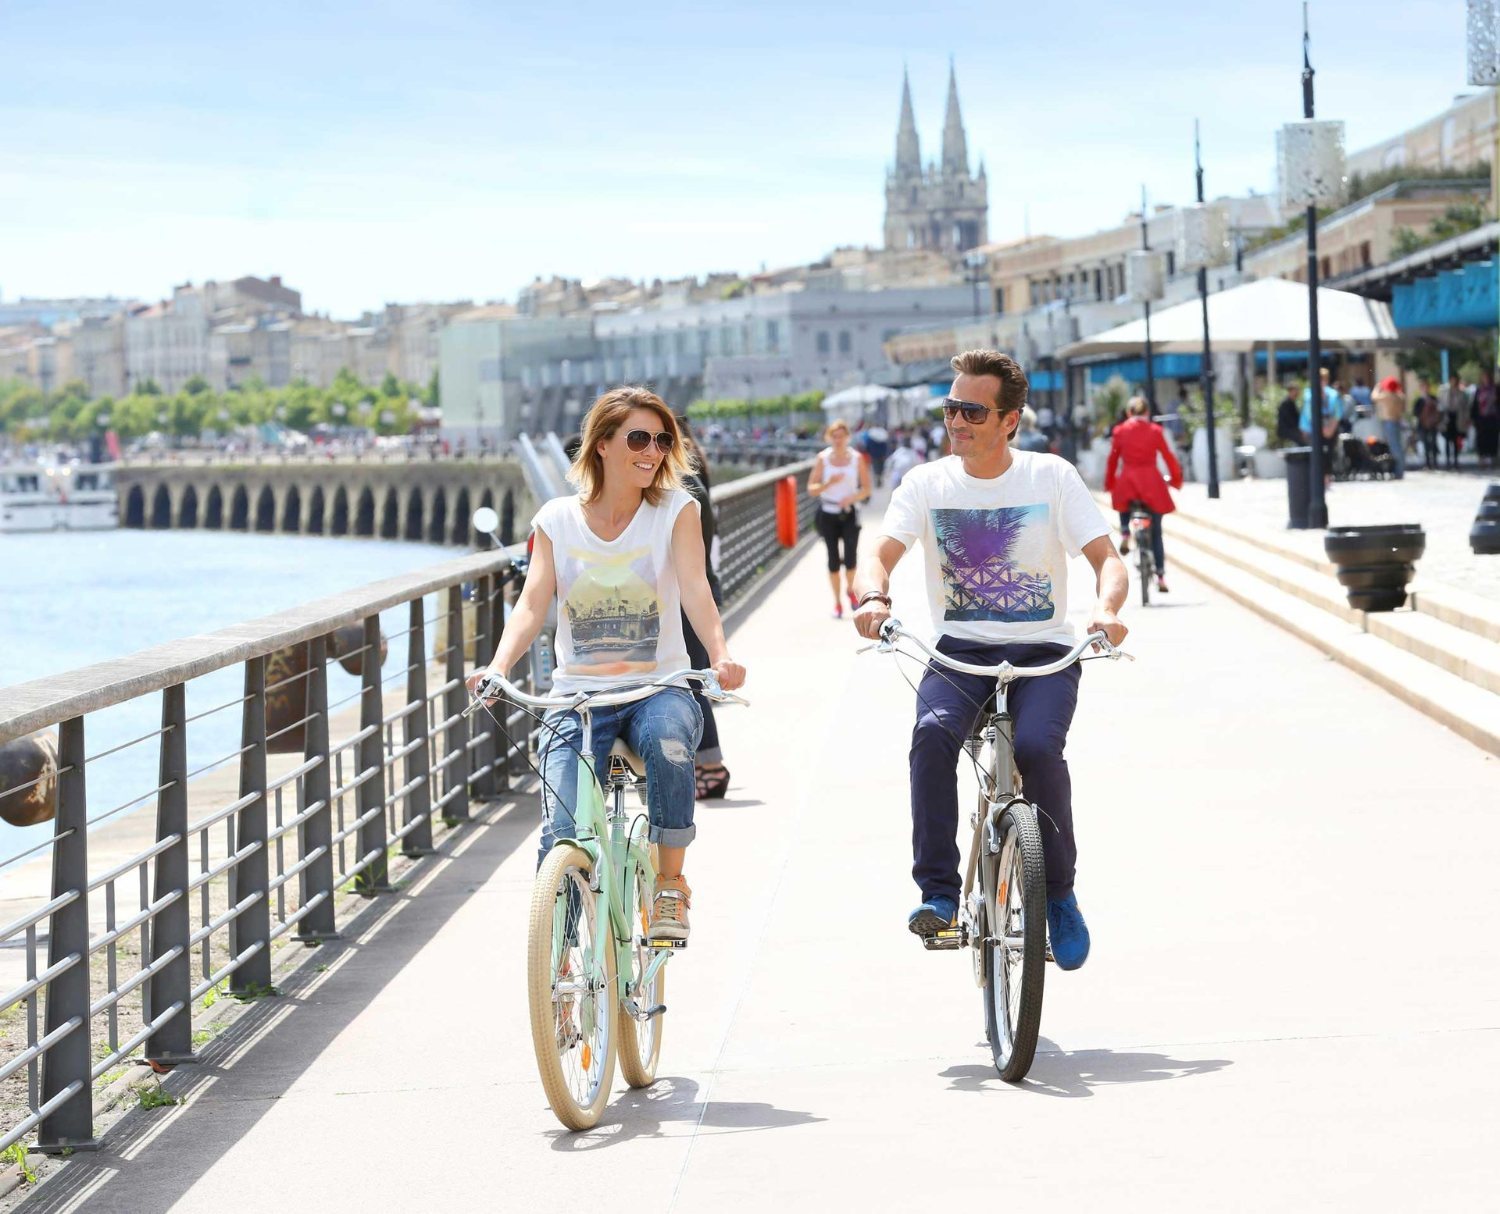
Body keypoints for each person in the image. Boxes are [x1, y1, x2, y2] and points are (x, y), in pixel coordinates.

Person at [852, 349, 1128, 971]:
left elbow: (1108, 560)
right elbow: (883, 552)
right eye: (951, 407)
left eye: (972, 410)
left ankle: (1059, 894)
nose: (957, 421)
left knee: (1036, 749)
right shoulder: (925, 483)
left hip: (1046, 652)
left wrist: (1107, 611)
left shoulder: (1051, 476)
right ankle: (939, 893)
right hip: (961, 651)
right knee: (931, 736)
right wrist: (874, 595)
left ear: (1010, 420)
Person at [467, 386, 745, 943]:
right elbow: (532, 600)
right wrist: (497, 667)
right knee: (562, 832)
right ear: (602, 446)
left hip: (657, 687)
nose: (653, 451)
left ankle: (670, 886)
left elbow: (695, 589)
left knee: (669, 741)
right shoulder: (556, 520)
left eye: (662, 440)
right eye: (638, 438)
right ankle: (562, 965)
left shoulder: (677, 510)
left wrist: (721, 654)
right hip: (578, 697)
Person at [675, 415, 733, 800]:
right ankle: (705, 763)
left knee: (692, 680)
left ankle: (711, 765)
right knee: (691, 678)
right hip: (700, 585)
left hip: (689, 593)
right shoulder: (693, 477)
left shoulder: (684, 490)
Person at [1105, 396, 1182, 593]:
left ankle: (1124, 530)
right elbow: (1168, 456)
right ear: (1147, 412)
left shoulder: (1120, 431)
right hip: (1152, 482)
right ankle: (1161, 576)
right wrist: (1175, 479)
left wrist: (1110, 483)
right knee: (1156, 531)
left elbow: (1112, 459)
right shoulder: (1156, 431)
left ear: (1129, 413)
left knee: (1124, 502)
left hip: (1128, 478)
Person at [807, 419, 873, 618]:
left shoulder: (856, 458)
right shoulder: (823, 458)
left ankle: (851, 592)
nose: (837, 440)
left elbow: (867, 488)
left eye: (841, 436)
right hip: (828, 513)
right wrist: (828, 483)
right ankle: (837, 602)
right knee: (833, 559)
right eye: (834, 436)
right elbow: (811, 489)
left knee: (851, 559)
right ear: (829, 438)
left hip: (849, 512)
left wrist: (851, 497)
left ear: (847, 437)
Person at [1301, 369, 1343, 479]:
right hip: (1314, 427)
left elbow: (1338, 412)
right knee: (1317, 453)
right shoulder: (1308, 395)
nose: (1321, 382)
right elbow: (1308, 414)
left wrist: (1330, 428)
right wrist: (1321, 428)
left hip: (1330, 426)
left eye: (1323, 379)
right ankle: (1318, 476)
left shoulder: (1333, 394)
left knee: (1329, 452)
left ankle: (1327, 476)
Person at [1371, 376, 1407, 480]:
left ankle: (1398, 472)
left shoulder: (1387, 396)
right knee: (1398, 446)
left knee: (1394, 447)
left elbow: (1374, 397)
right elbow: (1401, 393)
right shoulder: (1399, 396)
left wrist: (1377, 387)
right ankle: (1399, 470)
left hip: (1389, 422)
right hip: (1397, 422)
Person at [1439, 372, 1469, 471]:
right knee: (1447, 440)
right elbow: (1441, 404)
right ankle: (1448, 462)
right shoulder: (1444, 390)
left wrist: (1466, 419)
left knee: (1456, 441)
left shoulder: (1461, 393)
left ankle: (1455, 461)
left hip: (1457, 418)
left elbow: (1465, 407)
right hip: (1447, 418)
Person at [1474, 368, 1499, 469]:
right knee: (1481, 439)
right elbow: (1475, 405)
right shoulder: (1479, 390)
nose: (1486, 379)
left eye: (1488, 377)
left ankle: (1492, 460)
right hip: (1482, 418)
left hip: (1493, 417)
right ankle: (1482, 460)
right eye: (1484, 377)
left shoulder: (1496, 389)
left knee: (1492, 438)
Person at [1413, 379, 1440, 471]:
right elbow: (1415, 412)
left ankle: (1435, 462)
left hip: (1433, 424)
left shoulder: (1434, 398)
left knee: (1433, 443)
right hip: (1422, 424)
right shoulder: (1419, 401)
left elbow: (1439, 410)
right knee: (1425, 444)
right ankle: (1427, 463)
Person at [1275, 381, 1303, 446]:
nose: (1297, 393)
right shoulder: (1286, 403)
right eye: (1295, 390)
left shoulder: (1291, 403)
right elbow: (1290, 420)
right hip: (1287, 431)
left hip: (1291, 430)